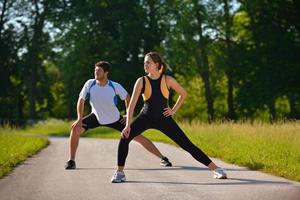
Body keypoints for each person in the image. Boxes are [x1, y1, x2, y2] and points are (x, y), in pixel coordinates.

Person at [111, 52, 227, 183]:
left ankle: (217, 169)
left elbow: (183, 93)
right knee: (125, 137)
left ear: (157, 64)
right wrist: (127, 125)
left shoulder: (167, 80)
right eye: (144, 62)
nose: (145, 64)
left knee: (187, 145)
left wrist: (173, 110)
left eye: (148, 62)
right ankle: (120, 172)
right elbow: (132, 104)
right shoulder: (141, 81)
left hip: (164, 119)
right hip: (146, 117)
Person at [65, 61, 172, 169]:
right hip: (96, 117)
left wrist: (127, 115)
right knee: (75, 129)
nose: (96, 73)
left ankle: (163, 158)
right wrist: (79, 119)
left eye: (99, 71)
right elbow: (81, 100)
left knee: (138, 137)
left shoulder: (114, 86)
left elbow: (127, 97)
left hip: (115, 119)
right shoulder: (90, 84)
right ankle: (71, 161)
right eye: (95, 70)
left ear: (106, 72)